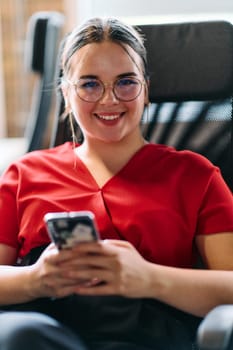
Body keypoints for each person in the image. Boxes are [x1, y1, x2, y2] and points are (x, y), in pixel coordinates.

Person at [0, 16, 232, 350]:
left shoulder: (196, 176)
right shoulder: (24, 174)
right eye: (90, 84)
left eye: (126, 82)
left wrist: (150, 278)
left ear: (146, 90)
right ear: (67, 93)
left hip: (149, 334)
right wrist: (36, 278)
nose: (109, 99)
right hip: (45, 330)